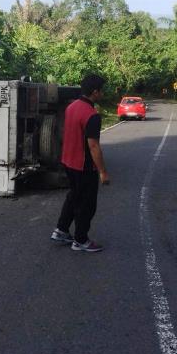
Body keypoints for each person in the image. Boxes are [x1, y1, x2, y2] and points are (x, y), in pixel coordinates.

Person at [50, 74, 110, 252]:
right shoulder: (92, 115)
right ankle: (80, 240)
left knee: (74, 196)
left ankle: (61, 230)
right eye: (101, 91)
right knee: (87, 204)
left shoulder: (71, 107)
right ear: (94, 92)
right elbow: (93, 146)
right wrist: (103, 172)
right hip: (84, 166)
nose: (103, 94)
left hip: (68, 162)